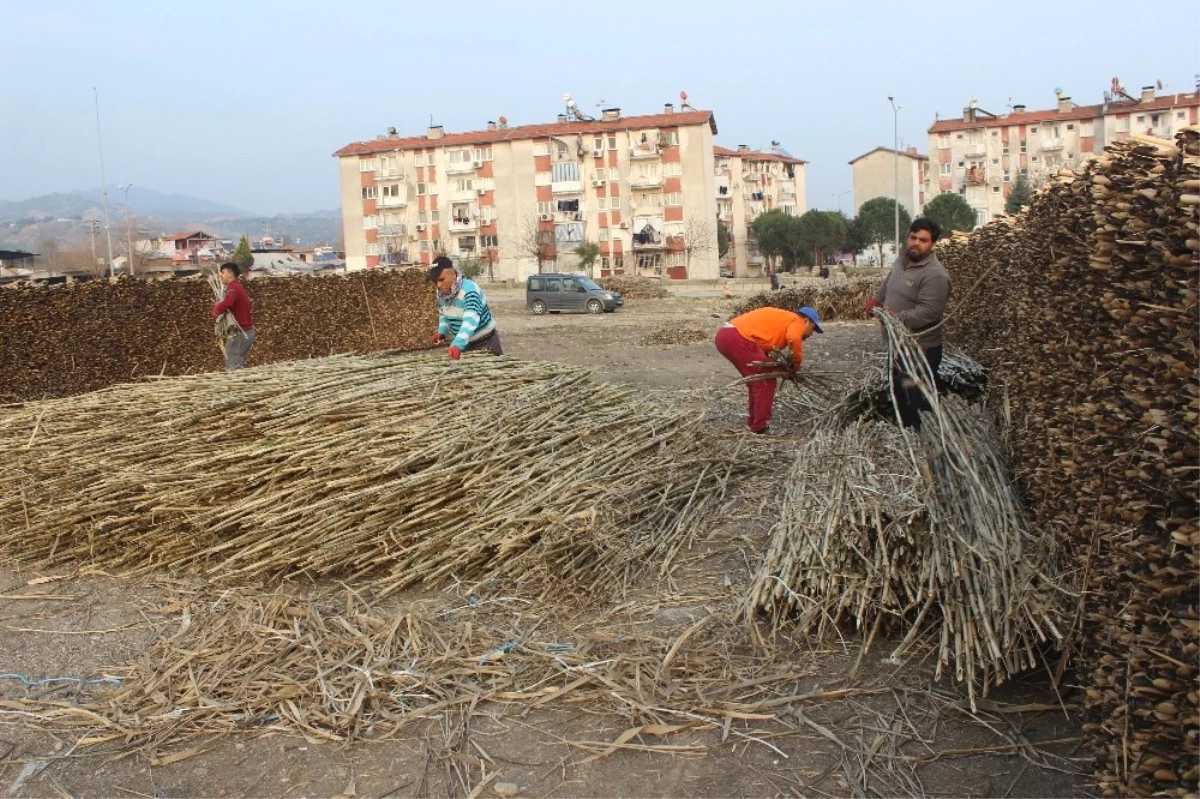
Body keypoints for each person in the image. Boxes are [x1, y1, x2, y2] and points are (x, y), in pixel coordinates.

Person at [865, 217, 952, 429]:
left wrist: (896, 318)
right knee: (898, 390)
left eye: (923, 240)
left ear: (932, 244)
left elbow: (930, 312)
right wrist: (877, 298)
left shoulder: (935, 275)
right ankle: (907, 433)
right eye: (913, 237)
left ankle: (924, 438)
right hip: (898, 345)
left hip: (919, 348)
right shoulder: (901, 261)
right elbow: (889, 282)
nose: (916, 243)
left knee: (914, 397)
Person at [715, 305, 823, 434]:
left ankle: (755, 423)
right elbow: (794, 338)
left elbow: (763, 352)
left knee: (757, 380)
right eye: (813, 328)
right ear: (806, 321)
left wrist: (782, 369)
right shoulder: (797, 321)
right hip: (737, 337)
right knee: (765, 381)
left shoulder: (784, 320)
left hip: (727, 335)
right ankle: (759, 426)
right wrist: (796, 363)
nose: (811, 334)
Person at [428, 256, 502, 358]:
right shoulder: (441, 293)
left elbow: (470, 321)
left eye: (441, 280)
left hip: (484, 342)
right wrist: (442, 332)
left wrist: (457, 343)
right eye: (435, 282)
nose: (438, 285)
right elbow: (444, 315)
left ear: (453, 274)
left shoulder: (470, 290)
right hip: (464, 343)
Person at [210, 262, 255, 370]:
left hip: (241, 333)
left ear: (230, 274)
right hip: (245, 332)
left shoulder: (233, 288)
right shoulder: (236, 287)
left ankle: (235, 385)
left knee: (232, 363)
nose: (220, 275)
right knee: (236, 362)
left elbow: (228, 303)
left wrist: (217, 309)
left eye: (223, 272)